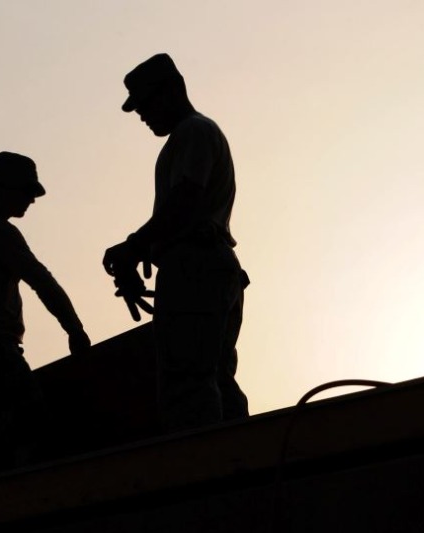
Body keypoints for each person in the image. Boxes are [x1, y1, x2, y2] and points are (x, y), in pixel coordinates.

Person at [103, 53, 250, 432]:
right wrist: (145, 252)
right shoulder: (188, 138)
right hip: (208, 267)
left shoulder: (193, 132)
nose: (142, 116)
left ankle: (206, 473)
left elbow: (186, 199)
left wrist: (135, 246)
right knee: (215, 379)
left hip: (197, 269)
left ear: (171, 91)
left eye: (145, 105)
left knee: (188, 386)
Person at [0, 151, 91, 473]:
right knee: (33, 434)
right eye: (27, 192)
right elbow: (41, 281)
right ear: (3, 189)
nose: (31, 200)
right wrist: (74, 328)